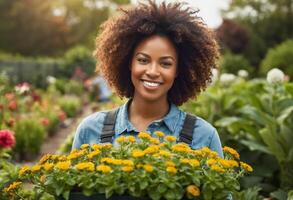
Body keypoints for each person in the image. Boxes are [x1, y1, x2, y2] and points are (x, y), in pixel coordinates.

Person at [72, 0, 222, 157]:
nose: (152, 71)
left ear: (178, 70)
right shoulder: (90, 130)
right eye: (143, 60)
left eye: (165, 63)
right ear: (129, 62)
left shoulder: (204, 136)